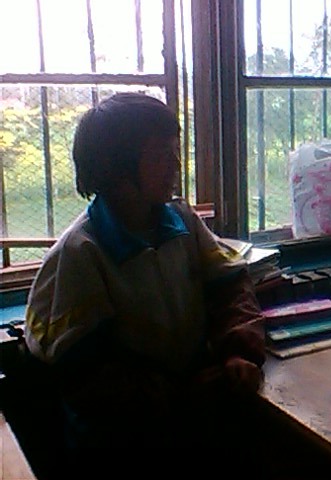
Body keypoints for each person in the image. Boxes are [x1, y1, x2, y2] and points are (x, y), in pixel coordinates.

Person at [23, 92, 266, 478]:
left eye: (175, 152)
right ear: (115, 169)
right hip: (121, 447)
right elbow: (87, 376)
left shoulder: (181, 219)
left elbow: (231, 286)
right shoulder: (81, 252)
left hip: (192, 421)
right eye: (160, 155)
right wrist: (182, 396)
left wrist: (237, 352)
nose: (175, 166)